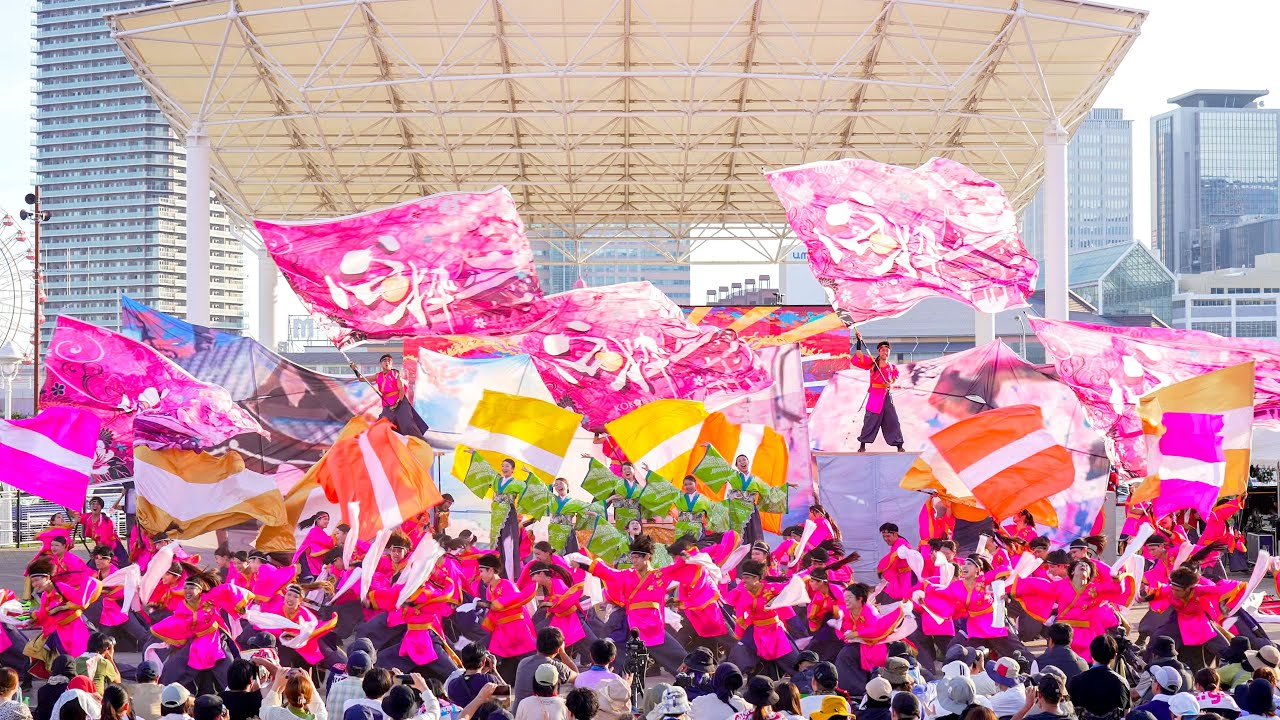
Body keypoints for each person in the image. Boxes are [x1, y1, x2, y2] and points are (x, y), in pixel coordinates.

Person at [852, 330, 903, 453]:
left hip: (886, 396)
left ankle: (899, 445)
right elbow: (858, 355)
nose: (885, 352)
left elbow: (894, 379)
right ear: (879, 351)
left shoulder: (892, 367)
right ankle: (862, 444)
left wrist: (890, 383)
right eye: (883, 350)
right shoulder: (873, 363)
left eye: (887, 350)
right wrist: (859, 341)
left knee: (893, 420)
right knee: (870, 420)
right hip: (875, 396)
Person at [1068, 635, 1132, 720]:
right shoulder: (1122, 683)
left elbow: (1070, 711)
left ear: (1091, 654)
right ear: (1114, 656)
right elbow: (1126, 714)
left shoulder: (1076, 681)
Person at [513, 627, 578, 708]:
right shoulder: (556, 666)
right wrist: (563, 653)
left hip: (519, 713)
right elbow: (578, 678)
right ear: (558, 649)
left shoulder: (523, 662)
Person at [573, 640, 629, 720]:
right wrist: (626, 685)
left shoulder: (580, 678)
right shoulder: (617, 680)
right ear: (613, 658)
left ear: (591, 656)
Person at [261, 672, 326, 720]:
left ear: (287, 694)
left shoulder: (274, 714)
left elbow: (264, 709)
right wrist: (309, 683)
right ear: (309, 696)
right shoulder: (318, 718)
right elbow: (320, 709)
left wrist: (277, 684)